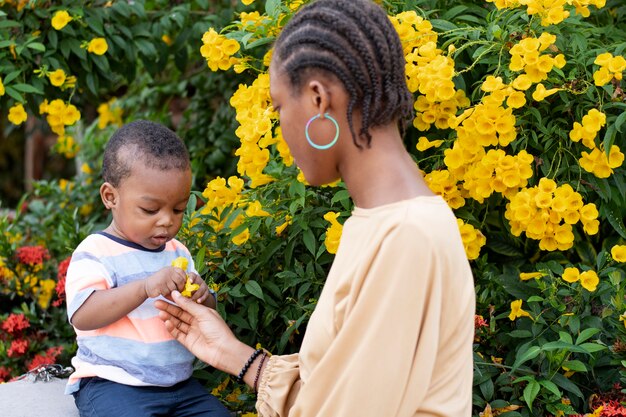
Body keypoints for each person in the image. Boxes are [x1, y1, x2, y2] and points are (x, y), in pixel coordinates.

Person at [157, 0, 476, 416]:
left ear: (318, 99)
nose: (280, 127)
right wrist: (235, 356)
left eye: (278, 107)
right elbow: (337, 392)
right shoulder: (382, 222)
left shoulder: (406, 236)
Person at [64, 120, 230, 417]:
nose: (167, 220)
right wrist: (144, 287)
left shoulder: (177, 252)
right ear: (110, 197)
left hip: (179, 387)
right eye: (151, 210)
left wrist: (204, 297)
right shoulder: (96, 251)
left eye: (178, 209)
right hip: (113, 383)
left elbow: (207, 312)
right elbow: (83, 314)